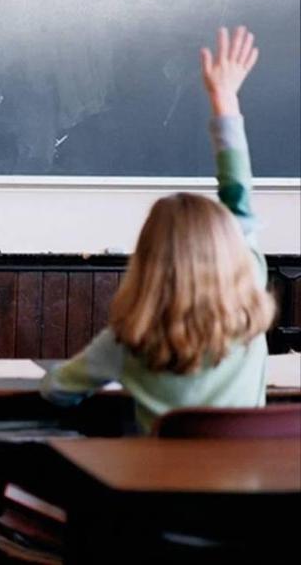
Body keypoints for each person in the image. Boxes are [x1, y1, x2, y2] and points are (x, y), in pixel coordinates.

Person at [41, 26, 276, 433]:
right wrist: (225, 100)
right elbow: (238, 192)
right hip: (248, 492)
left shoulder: (130, 341)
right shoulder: (250, 305)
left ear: (148, 260)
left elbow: (56, 390)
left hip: (158, 497)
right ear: (229, 251)